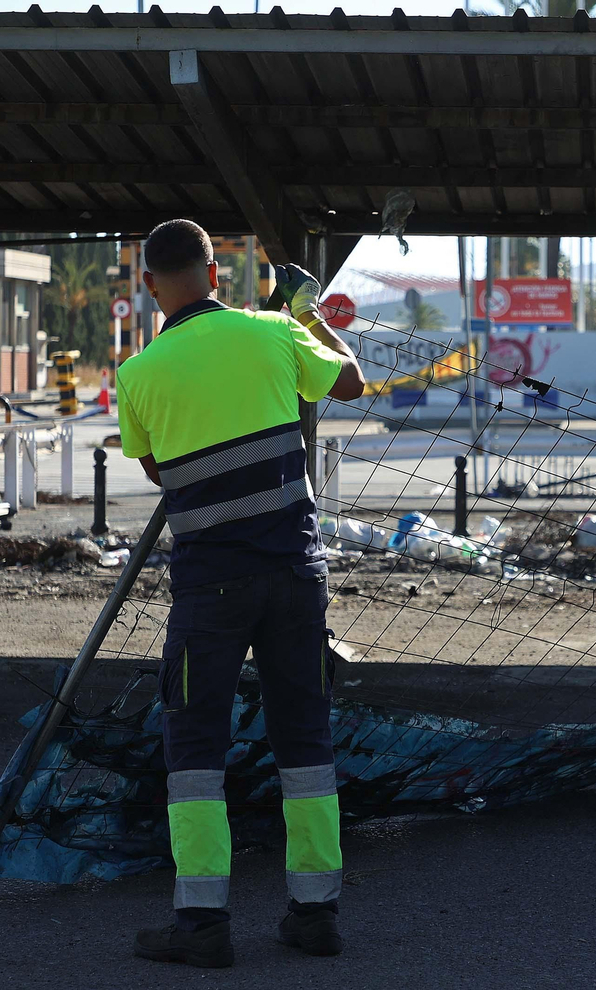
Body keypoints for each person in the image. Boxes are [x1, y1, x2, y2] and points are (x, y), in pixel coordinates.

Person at [115, 219, 365, 969]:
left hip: (209, 588)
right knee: (306, 743)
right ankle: (315, 913)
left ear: (151, 285)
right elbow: (349, 382)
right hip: (295, 575)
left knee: (195, 751)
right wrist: (306, 313)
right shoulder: (272, 333)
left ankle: (202, 924)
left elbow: (159, 469)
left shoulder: (140, 374)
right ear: (217, 273)